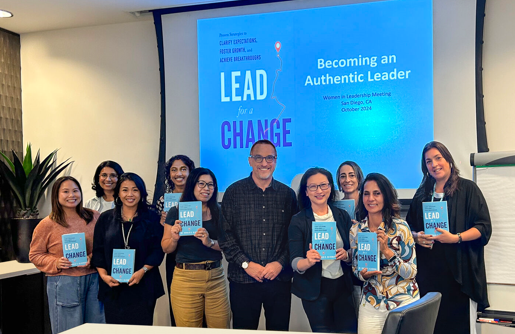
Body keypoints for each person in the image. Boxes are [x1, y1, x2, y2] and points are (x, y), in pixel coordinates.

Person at [406, 141, 491, 334]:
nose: (434, 164)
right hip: (428, 276)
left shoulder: (468, 189)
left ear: (449, 161)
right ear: (425, 167)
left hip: (460, 277)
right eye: (429, 161)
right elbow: (407, 229)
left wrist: (456, 238)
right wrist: (417, 236)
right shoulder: (421, 195)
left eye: (438, 158)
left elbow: (483, 227)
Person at [219, 139, 298, 330]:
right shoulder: (233, 193)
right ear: (250, 161)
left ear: (276, 160)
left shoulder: (287, 195)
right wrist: (246, 264)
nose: (264, 163)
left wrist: (280, 263)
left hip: (278, 280)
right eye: (259, 158)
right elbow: (225, 236)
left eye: (269, 158)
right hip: (243, 280)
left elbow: (295, 237)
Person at [29, 176, 105, 334]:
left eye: (75, 191)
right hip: (63, 281)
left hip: (94, 280)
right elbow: (35, 254)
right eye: (66, 191)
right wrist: (56, 262)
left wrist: (92, 258)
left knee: (96, 326)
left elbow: (104, 245)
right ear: (56, 195)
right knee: (68, 329)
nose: (72, 195)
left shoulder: (94, 217)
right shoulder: (46, 224)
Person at [288, 167, 357, 333]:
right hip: (315, 291)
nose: (319, 191)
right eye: (313, 187)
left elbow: (353, 251)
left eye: (324, 185)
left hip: (343, 287)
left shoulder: (341, 215)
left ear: (330, 188)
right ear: (306, 191)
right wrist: (307, 261)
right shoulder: (298, 220)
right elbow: (295, 262)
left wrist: (347, 255)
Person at [91, 172, 164, 325]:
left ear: (141, 193)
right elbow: (98, 250)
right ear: (118, 192)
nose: (130, 194)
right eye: (125, 190)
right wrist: (104, 276)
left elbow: (158, 250)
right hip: (113, 286)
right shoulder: (105, 218)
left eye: (135, 189)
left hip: (143, 284)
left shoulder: (152, 218)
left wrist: (142, 271)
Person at [350, 173, 419, 334]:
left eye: (377, 193)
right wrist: (364, 275)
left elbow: (411, 272)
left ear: (385, 196)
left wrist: (388, 252)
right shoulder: (356, 230)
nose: (370, 198)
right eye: (366, 194)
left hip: (403, 301)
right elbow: (355, 268)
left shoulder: (401, 228)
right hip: (372, 301)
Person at [161, 167, 230, 328]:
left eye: (210, 185)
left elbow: (227, 246)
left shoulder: (220, 211)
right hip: (186, 279)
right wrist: (174, 238)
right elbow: (166, 248)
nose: (206, 189)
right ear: (192, 185)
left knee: (222, 329)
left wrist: (210, 243)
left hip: (216, 278)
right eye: (201, 184)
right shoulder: (176, 211)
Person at [155, 154, 195, 326]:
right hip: (174, 257)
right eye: (174, 170)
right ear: (169, 174)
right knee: (178, 307)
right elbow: (158, 235)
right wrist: (162, 223)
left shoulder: (200, 196)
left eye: (183, 169)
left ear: (190, 171)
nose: (179, 174)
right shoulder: (163, 200)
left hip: (197, 252)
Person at [336, 160, 365, 312]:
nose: (347, 180)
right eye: (343, 176)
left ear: (359, 178)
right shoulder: (335, 208)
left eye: (351, 175)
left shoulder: (370, 203)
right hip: (347, 273)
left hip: (370, 269)